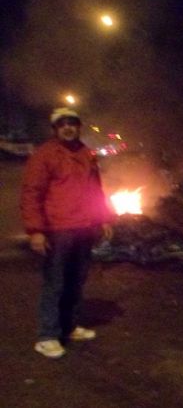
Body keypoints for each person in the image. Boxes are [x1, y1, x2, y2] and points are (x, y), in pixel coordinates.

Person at [20, 107, 113, 359]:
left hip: (84, 227)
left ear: (79, 126)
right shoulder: (44, 155)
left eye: (72, 123)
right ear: (55, 129)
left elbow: (95, 190)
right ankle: (47, 336)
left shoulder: (85, 153)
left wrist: (103, 218)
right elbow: (31, 193)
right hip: (58, 229)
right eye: (62, 124)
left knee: (76, 280)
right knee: (55, 283)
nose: (67, 128)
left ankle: (69, 326)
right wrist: (36, 231)